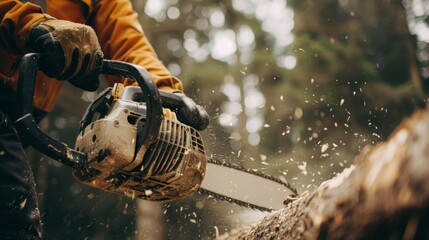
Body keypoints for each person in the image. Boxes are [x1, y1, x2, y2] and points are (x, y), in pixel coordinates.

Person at [0, 1, 200, 239]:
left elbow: (127, 42)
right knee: (13, 211)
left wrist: (162, 95)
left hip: (18, 110)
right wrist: (29, 23)